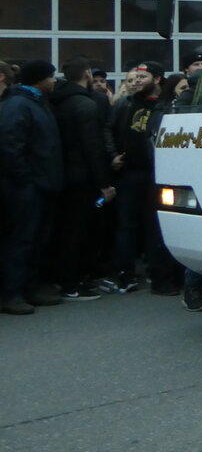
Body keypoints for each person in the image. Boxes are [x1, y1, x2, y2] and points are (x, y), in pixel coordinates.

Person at [103, 61, 182, 295]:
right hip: (129, 173)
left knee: (156, 227)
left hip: (157, 174)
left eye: (142, 77)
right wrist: (112, 155)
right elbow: (108, 129)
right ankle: (124, 277)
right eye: (135, 77)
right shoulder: (125, 103)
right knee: (126, 227)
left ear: (156, 79)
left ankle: (161, 279)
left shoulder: (167, 105)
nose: (136, 81)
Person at [0, 60, 65, 315]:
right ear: (39, 79)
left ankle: (30, 288)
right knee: (21, 240)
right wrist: (25, 178)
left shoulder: (36, 102)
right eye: (51, 76)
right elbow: (9, 145)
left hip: (41, 184)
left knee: (37, 240)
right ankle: (11, 294)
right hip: (25, 187)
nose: (54, 80)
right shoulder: (18, 104)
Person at [51, 57, 116, 301]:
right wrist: (104, 184)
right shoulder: (85, 105)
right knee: (80, 232)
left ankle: (66, 279)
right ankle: (73, 283)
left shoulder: (56, 100)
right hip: (83, 179)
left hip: (62, 175)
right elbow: (92, 147)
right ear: (87, 74)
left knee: (67, 230)